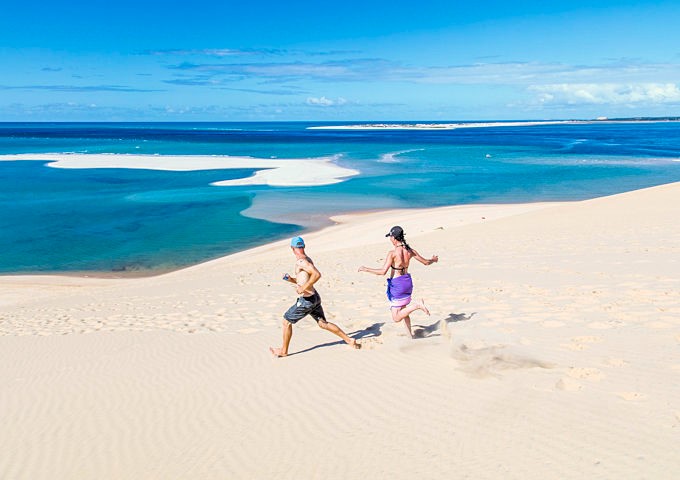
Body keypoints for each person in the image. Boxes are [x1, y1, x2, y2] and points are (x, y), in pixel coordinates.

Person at [270, 236, 361, 357]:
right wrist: (291, 279)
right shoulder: (306, 259)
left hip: (307, 300)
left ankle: (284, 351)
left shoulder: (302, 262)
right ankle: (349, 340)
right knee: (323, 323)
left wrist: (303, 288)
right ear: (303, 246)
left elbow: (317, 274)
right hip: (314, 298)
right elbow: (304, 279)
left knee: (286, 321)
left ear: (292, 248)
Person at [358, 226, 438, 338]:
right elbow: (425, 262)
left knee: (396, 317)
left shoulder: (393, 253)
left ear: (394, 237)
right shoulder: (410, 251)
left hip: (397, 285)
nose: (390, 239)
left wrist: (366, 269)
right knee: (404, 310)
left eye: (390, 237)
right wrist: (433, 260)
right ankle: (410, 335)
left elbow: (382, 272)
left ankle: (417, 305)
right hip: (407, 283)